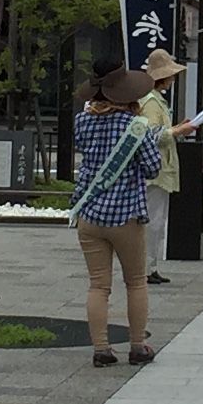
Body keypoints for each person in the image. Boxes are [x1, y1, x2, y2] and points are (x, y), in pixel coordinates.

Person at [69, 59, 167, 364]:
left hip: (89, 212)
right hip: (125, 214)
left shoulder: (82, 122)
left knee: (99, 284)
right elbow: (152, 167)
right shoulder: (135, 127)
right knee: (135, 281)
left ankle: (101, 349)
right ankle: (137, 346)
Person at [130, 49, 197, 284]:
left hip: (159, 167)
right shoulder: (151, 102)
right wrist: (178, 131)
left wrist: (177, 128)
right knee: (153, 220)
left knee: (155, 220)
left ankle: (150, 265)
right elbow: (149, 134)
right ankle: (147, 267)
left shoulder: (154, 100)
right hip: (155, 168)